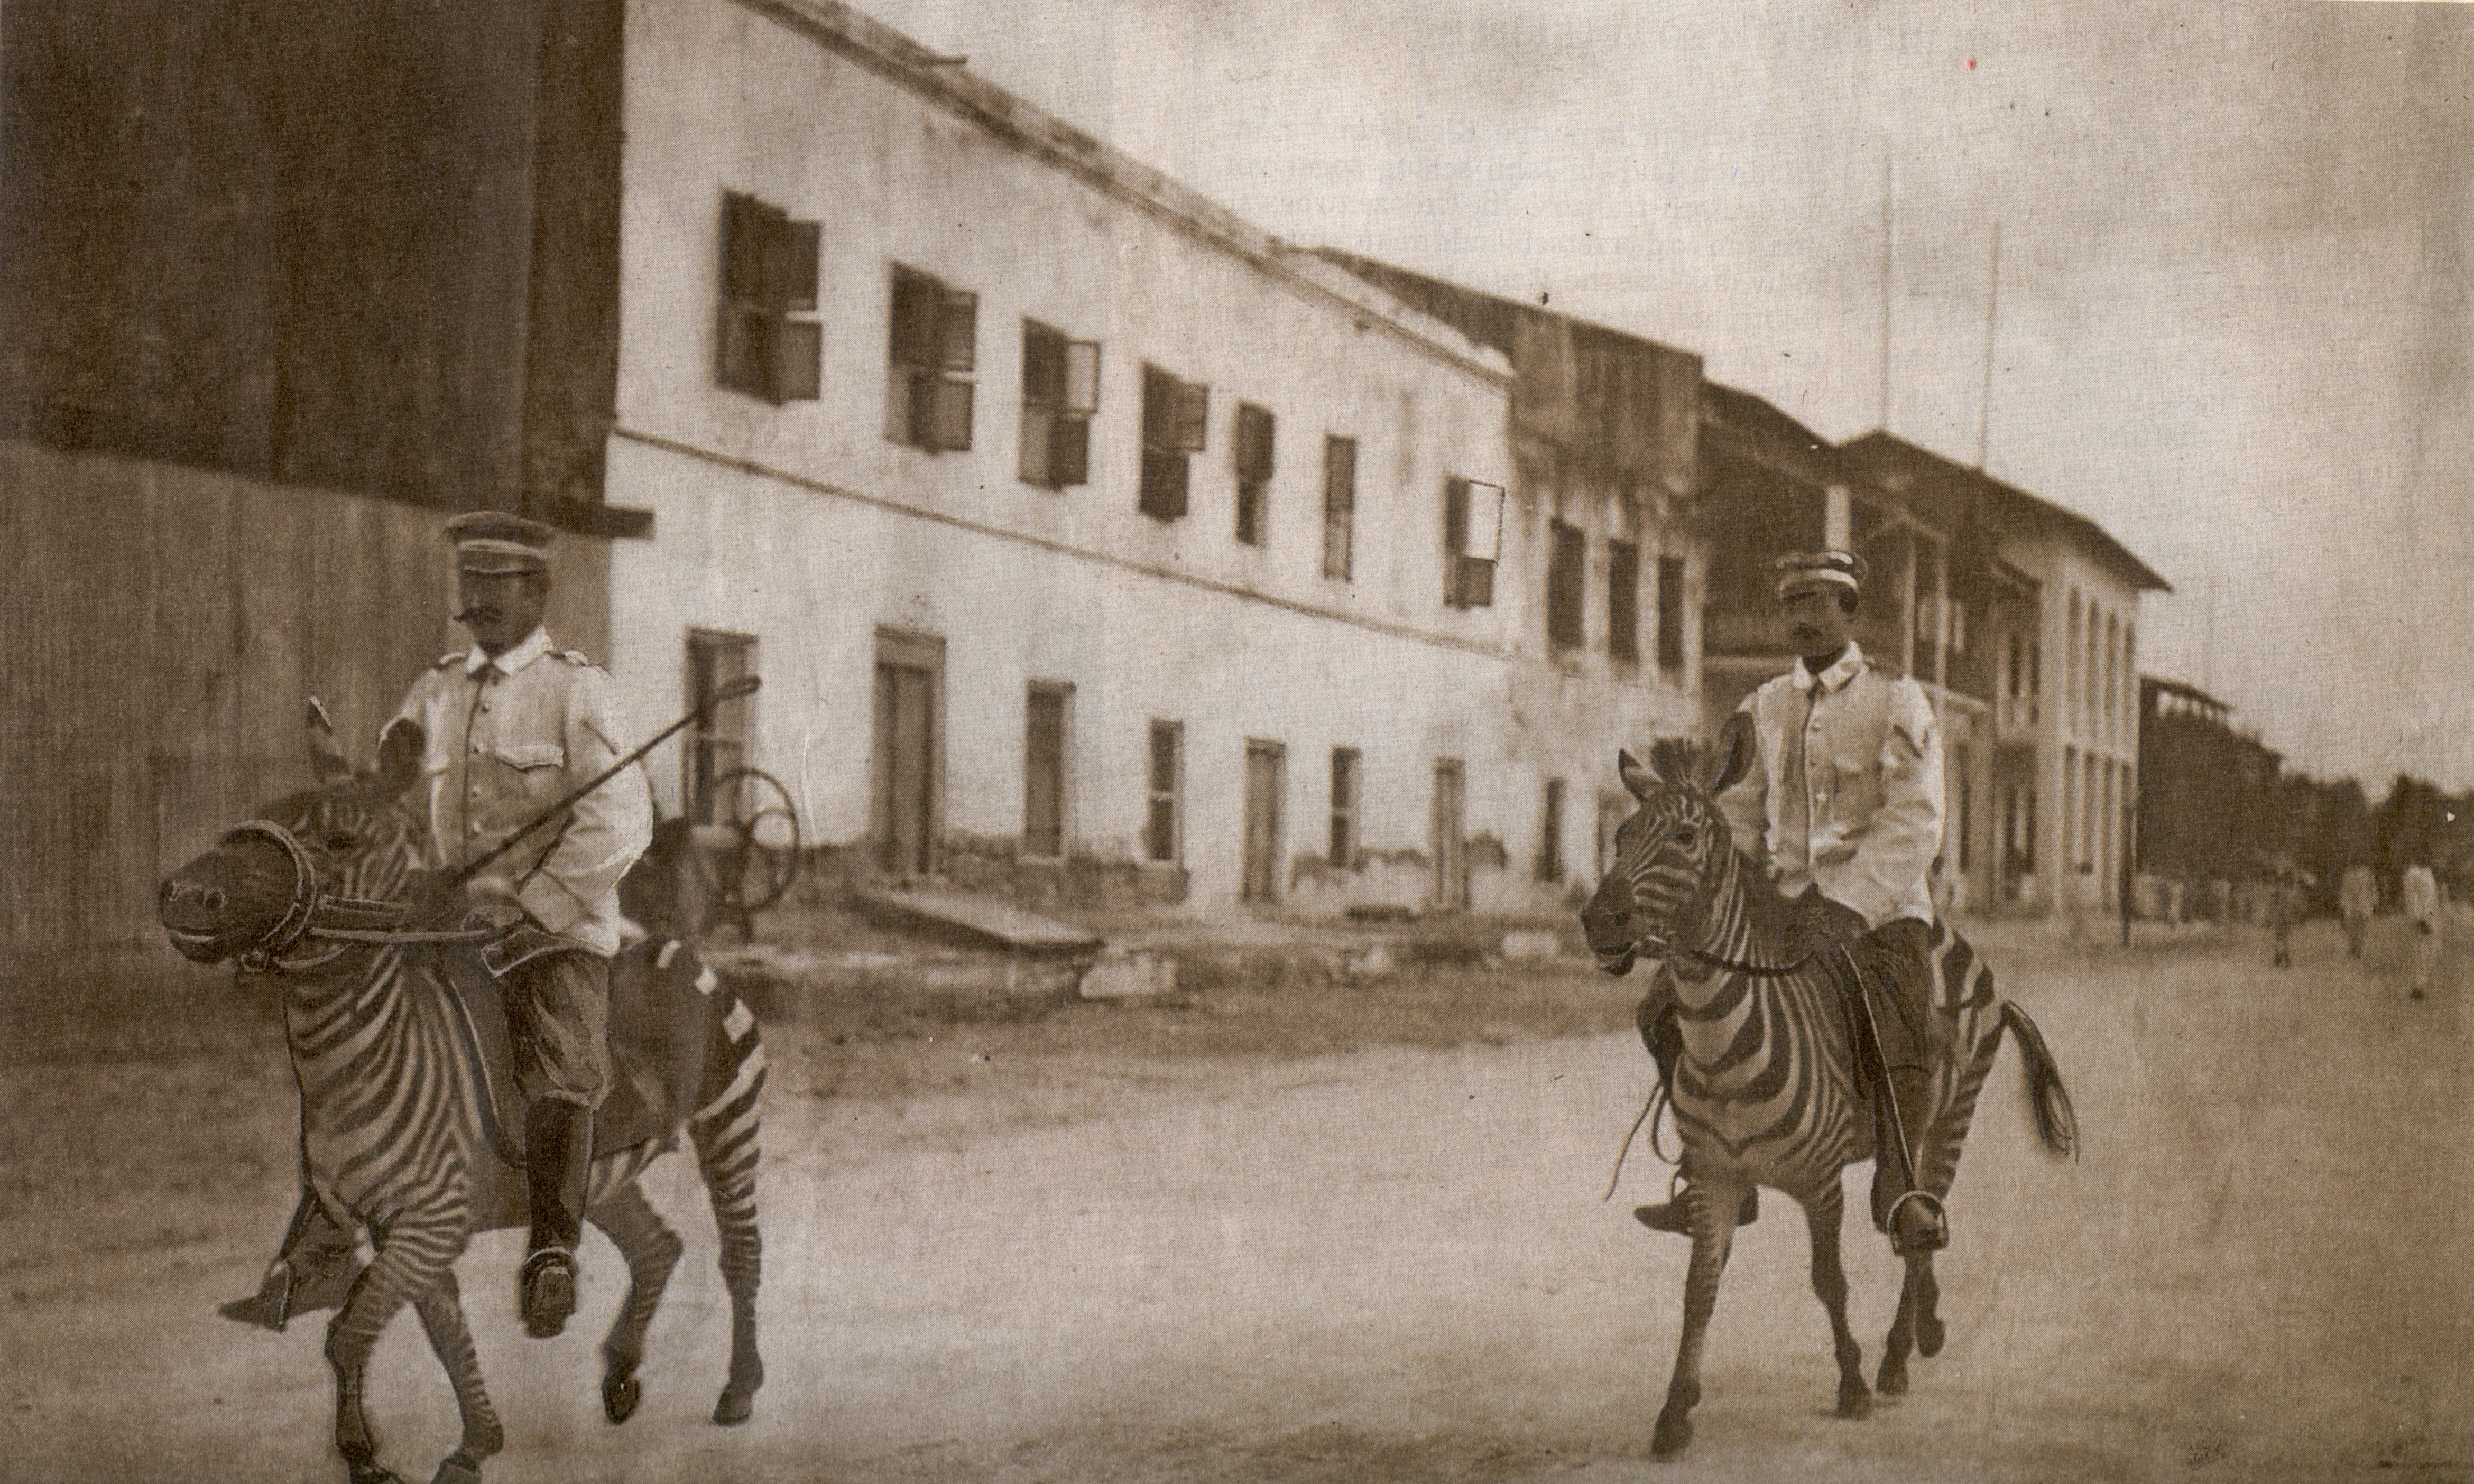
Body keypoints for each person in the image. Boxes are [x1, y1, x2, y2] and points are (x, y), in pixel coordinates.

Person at [1632, 549, 1947, 1254]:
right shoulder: (1762, 707)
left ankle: (1901, 1189)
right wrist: (1716, 903)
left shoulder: (1897, 699)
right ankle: (1714, 1170)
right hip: (1782, 904)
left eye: (1817, 601)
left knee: (1902, 1021)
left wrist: (1851, 906)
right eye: (1790, 603)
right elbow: (1739, 815)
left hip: (1882, 910)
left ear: (1848, 608)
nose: (1800, 617)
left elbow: (1916, 818)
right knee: (1663, 1006)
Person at [390, 510, 655, 1337]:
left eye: (499, 586)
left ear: (538, 593)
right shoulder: (433, 690)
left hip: (554, 932)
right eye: (470, 585)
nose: (480, 602)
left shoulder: (578, 689)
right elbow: (390, 792)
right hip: (450, 927)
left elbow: (619, 823)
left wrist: (535, 911)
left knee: (561, 1056)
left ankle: (550, 1253)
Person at [2404, 860, 2441, 1000]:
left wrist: (2433, 920)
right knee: (2420, 952)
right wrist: (2420, 919)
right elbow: (2412, 899)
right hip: (2420, 921)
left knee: (2429, 953)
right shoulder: (2412, 874)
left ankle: (2421, 985)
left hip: (2430, 919)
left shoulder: (2428, 873)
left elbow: (2432, 900)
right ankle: (2418, 987)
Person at [2339, 864, 2377, 960]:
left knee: (2363, 928)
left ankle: (2360, 949)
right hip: (2351, 904)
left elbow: (2373, 887)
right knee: (2351, 927)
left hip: (2364, 903)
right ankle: (2353, 947)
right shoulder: (2348, 874)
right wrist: (2344, 905)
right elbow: (2345, 890)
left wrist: (2374, 901)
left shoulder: (2367, 873)